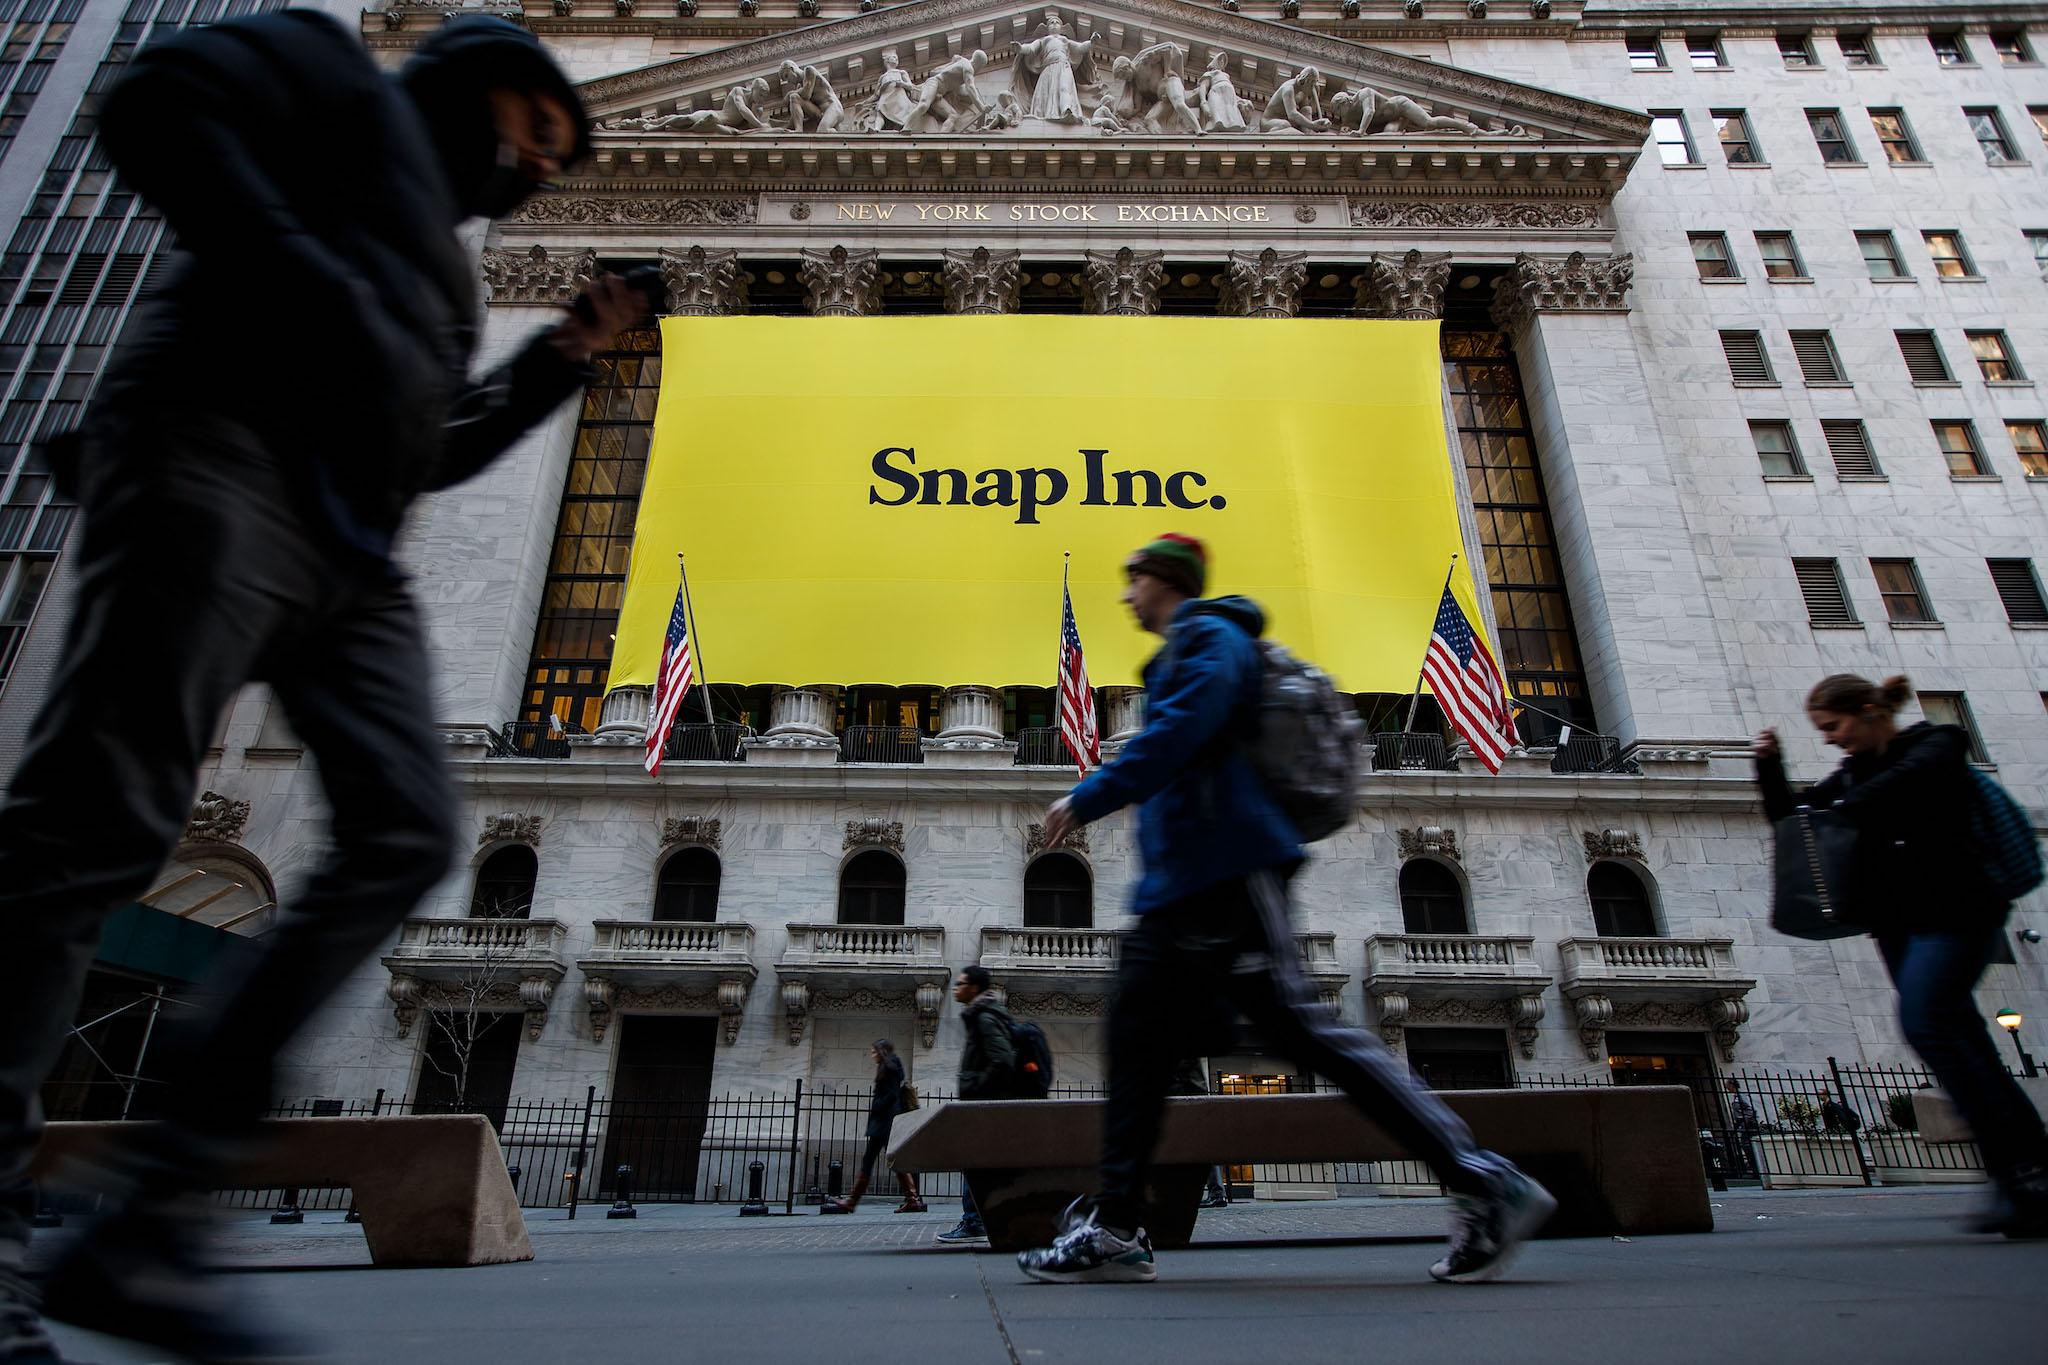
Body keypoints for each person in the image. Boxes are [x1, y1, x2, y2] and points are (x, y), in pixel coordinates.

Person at [0, 12, 644, 1361]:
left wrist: (556, 362)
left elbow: (439, 454)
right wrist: (301, 275)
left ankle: (151, 1216)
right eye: (542, 129)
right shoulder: (327, 75)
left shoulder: (448, 282)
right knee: (91, 835)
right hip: (206, 463)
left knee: (410, 826)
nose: (543, 164)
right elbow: (154, 104)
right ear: (485, 86)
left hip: (345, 552)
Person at [1016, 534, 1554, 1285]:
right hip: (1184, 887)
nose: (1125, 593)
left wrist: (1088, 794)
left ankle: (1481, 1177)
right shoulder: (1190, 645)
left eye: (1133, 579)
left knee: (1304, 1031)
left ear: (1166, 580)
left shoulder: (1210, 636)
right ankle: (1116, 1224)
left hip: (1229, 876)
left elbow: (1183, 732)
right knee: (1138, 1037)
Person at [1757, 673, 2048, 1236]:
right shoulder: (1849, 776)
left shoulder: (1935, 747)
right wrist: (1770, 767)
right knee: (1960, 1041)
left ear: (1869, 710)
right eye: (1822, 731)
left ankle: (2025, 1166)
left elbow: (1890, 791)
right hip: (1897, 926)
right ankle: (2021, 1173)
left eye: (1834, 726)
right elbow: (1795, 821)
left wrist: (1844, 804)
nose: (1831, 740)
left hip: (1958, 914)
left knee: (1928, 1022)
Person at [934, 965, 1017, 1245]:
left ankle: (974, 1221)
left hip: (985, 1105)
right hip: (986, 1104)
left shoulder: (984, 1018)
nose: (956, 987)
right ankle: (981, 1218)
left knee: (973, 1161)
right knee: (979, 1164)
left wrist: (976, 1085)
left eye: (961, 983)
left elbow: (1003, 1060)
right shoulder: (982, 1015)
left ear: (975, 988)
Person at [823, 1040, 922, 1214]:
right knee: (892, 1159)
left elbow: (891, 1095)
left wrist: (877, 1106)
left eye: (874, 1051)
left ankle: (852, 1202)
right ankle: (912, 1199)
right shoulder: (890, 1066)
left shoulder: (889, 1068)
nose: (872, 1055)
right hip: (885, 1122)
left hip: (884, 1122)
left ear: (882, 1051)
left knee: (872, 1160)